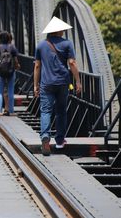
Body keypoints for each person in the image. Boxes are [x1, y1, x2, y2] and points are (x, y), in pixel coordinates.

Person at [34, 16, 81, 156]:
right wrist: (78, 81)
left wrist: (35, 85)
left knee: (46, 111)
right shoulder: (67, 44)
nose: (64, 31)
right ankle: (60, 141)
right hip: (62, 83)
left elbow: (37, 66)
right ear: (58, 30)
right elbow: (72, 63)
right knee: (61, 112)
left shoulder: (41, 45)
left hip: (46, 83)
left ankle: (45, 137)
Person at [0, 31, 20, 116]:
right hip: (11, 72)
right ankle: (11, 110)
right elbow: (15, 60)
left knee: (0, 91)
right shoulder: (12, 47)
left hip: (1, 72)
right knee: (10, 91)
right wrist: (16, 66)